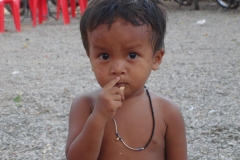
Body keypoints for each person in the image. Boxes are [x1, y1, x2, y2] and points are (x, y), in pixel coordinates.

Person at [65, 0, 187, 159]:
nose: (117, 68)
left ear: (156, 59)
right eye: (104, 56)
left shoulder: (168, 112)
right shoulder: (86, 105)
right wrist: (99, 117)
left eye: (132, 55)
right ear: (90, 59)